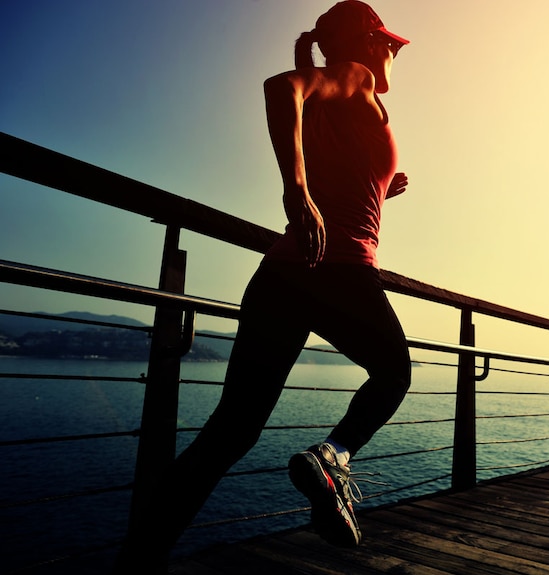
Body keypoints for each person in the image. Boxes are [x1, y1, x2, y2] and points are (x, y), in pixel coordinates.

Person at [114, 1, 411, 571]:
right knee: (394, 371)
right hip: (338, 267)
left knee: (230, 432)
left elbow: (313, 110)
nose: (394, 54)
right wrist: (296, 191)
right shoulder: (358, 77)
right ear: (369, 43)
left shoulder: (351, 98)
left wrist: (376, 186)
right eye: (390, 43)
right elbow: (282, 87)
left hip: (284, 272)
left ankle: (138, 561)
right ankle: (333, 458)